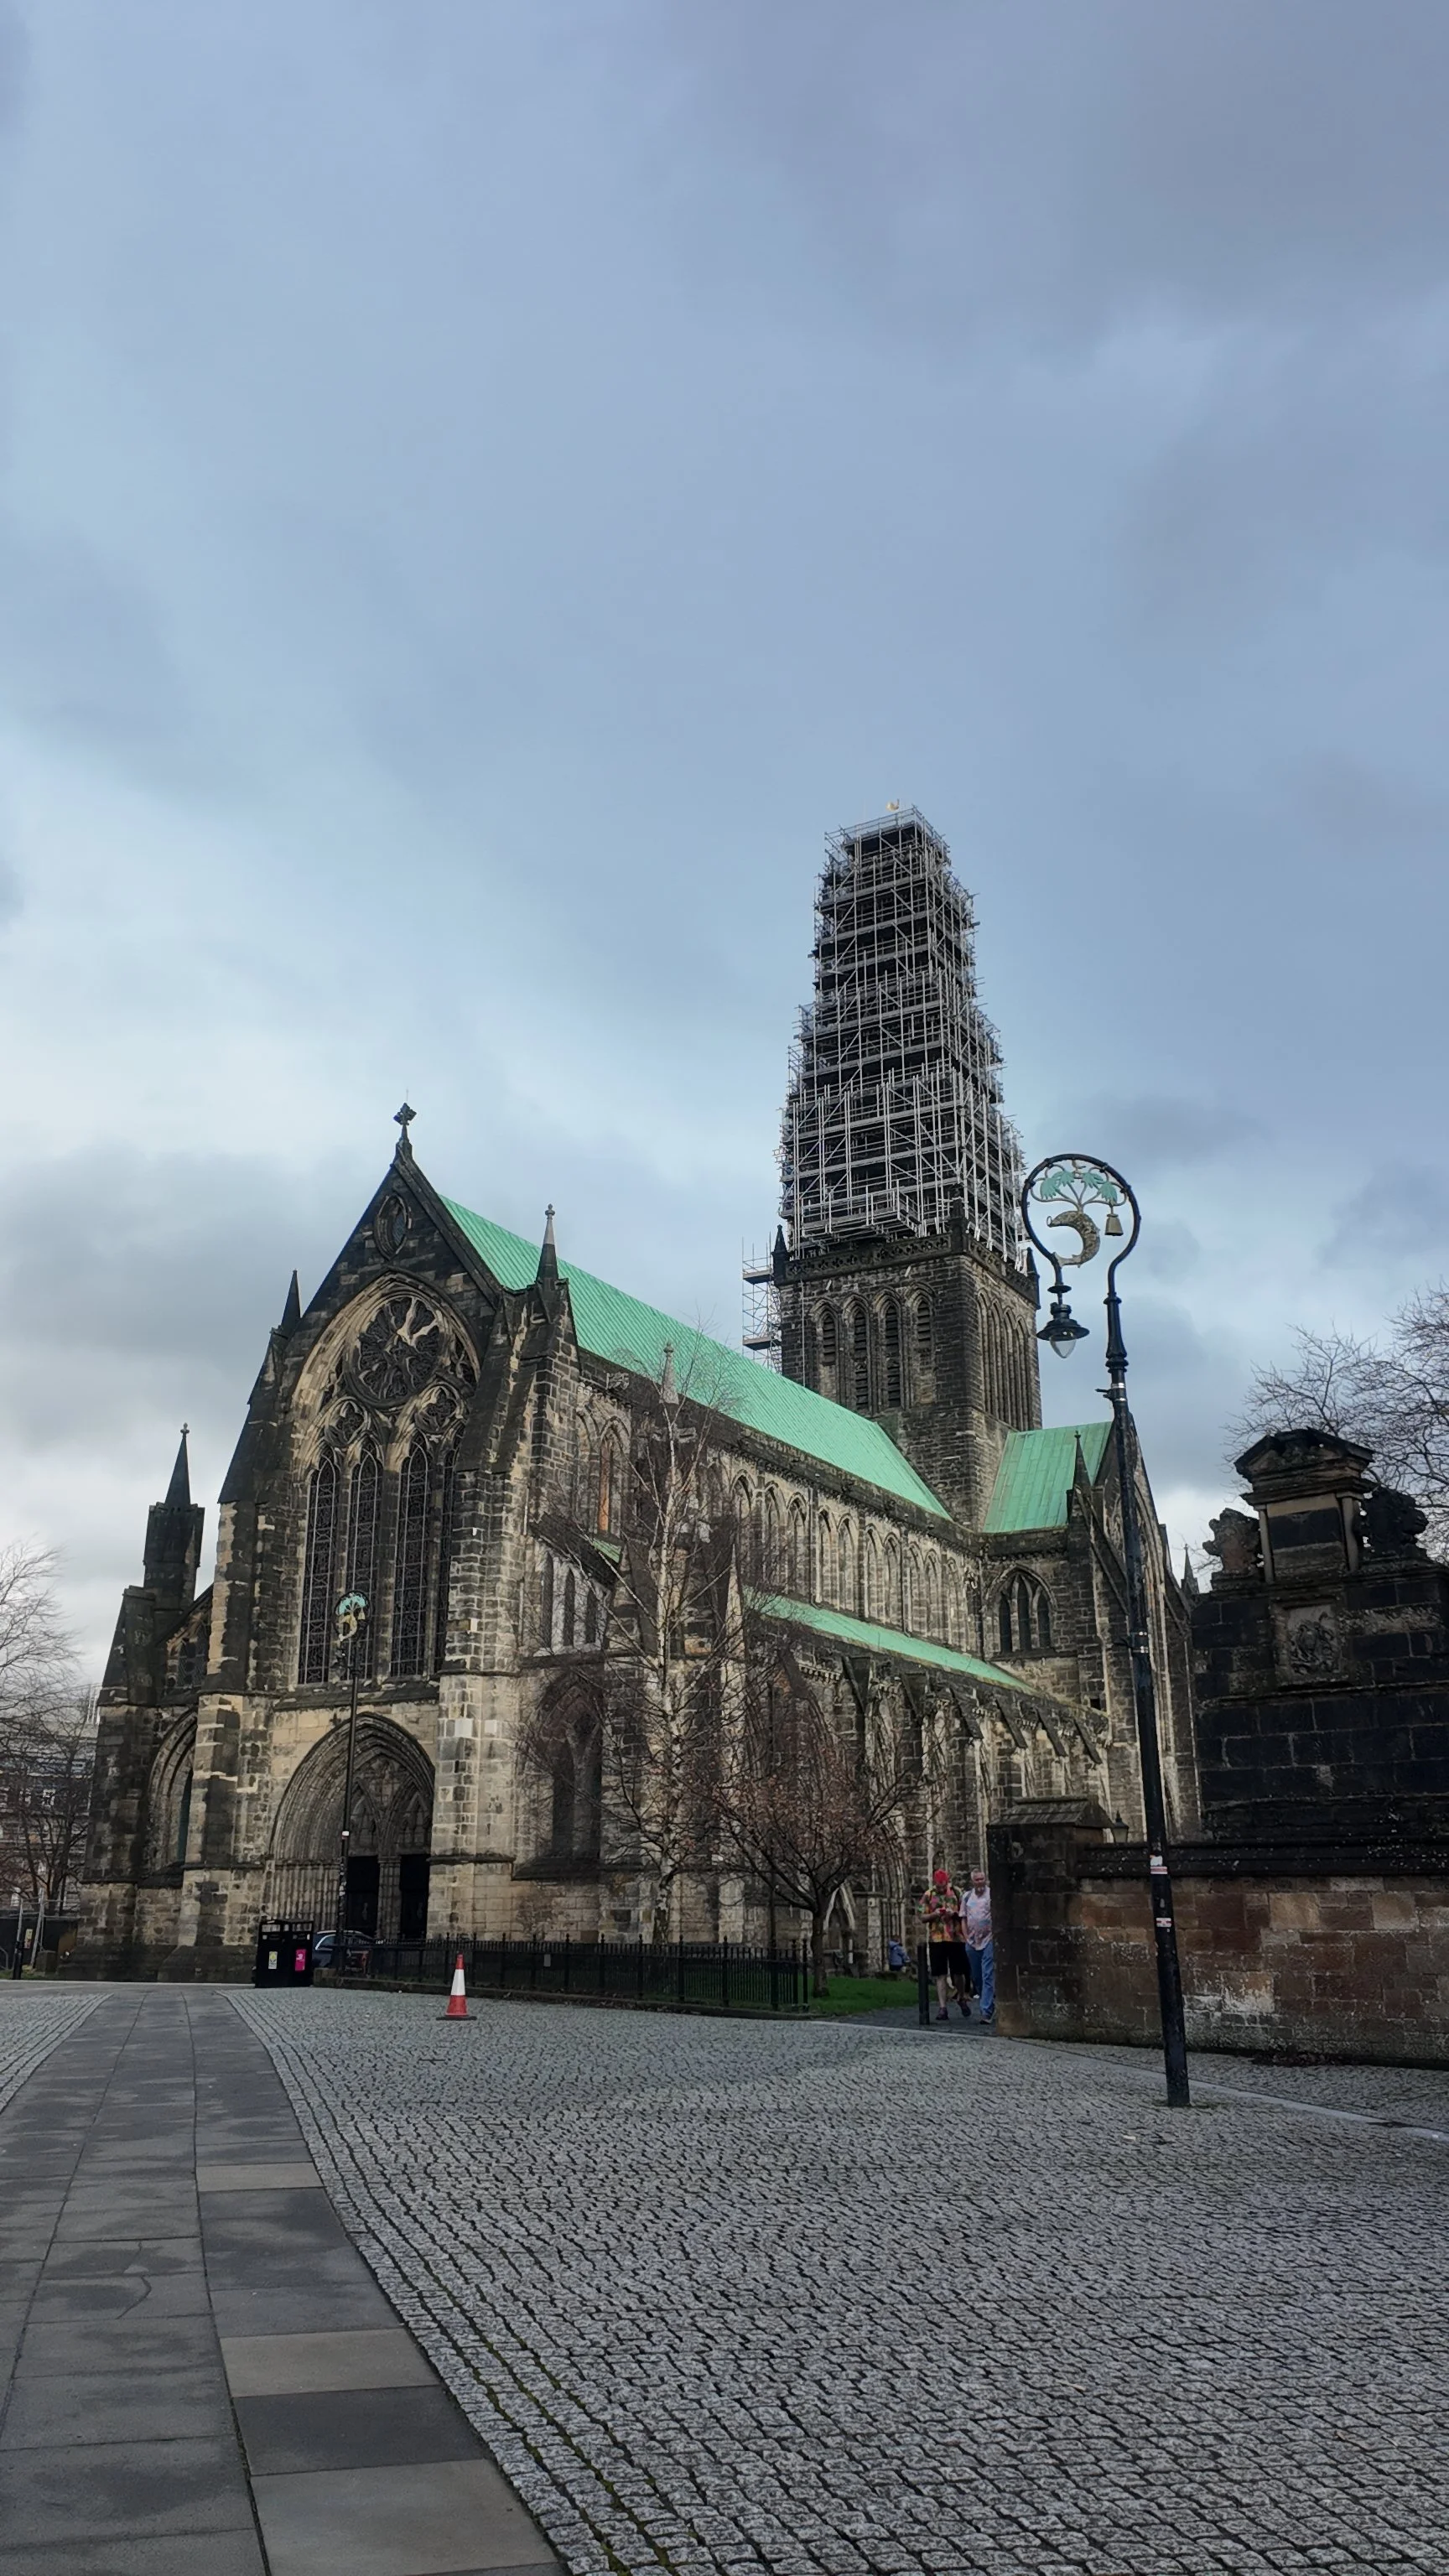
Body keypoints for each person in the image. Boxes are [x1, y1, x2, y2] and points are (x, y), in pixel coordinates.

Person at [918, 1867, 969, 2022]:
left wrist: (953, 1914)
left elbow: (965, 1914)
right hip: (937, 1938)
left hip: (956, 1938)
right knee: (940, 1974)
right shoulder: (929, 1895)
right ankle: (942, 2008)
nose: (941, 1888)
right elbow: (922, 1916)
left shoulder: (957, 1893)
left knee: (958, 1973)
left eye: (943, 1886)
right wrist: (935, 1914)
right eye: (939, 1886)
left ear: (947, 1882)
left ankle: (961, 1996)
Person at [963, 1866, 995, 2023]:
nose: (980, 1882)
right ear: (973, 1881)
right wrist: (966, 1935)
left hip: (989, 1939)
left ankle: (986, 2011)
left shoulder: (991, 1895)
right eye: (977, 1880)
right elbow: (963, 1917)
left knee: (987, 1973)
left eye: (982, 1879)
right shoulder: (967, 1897)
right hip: (972, 1941)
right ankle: (987, 2000)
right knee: (976, 1976)